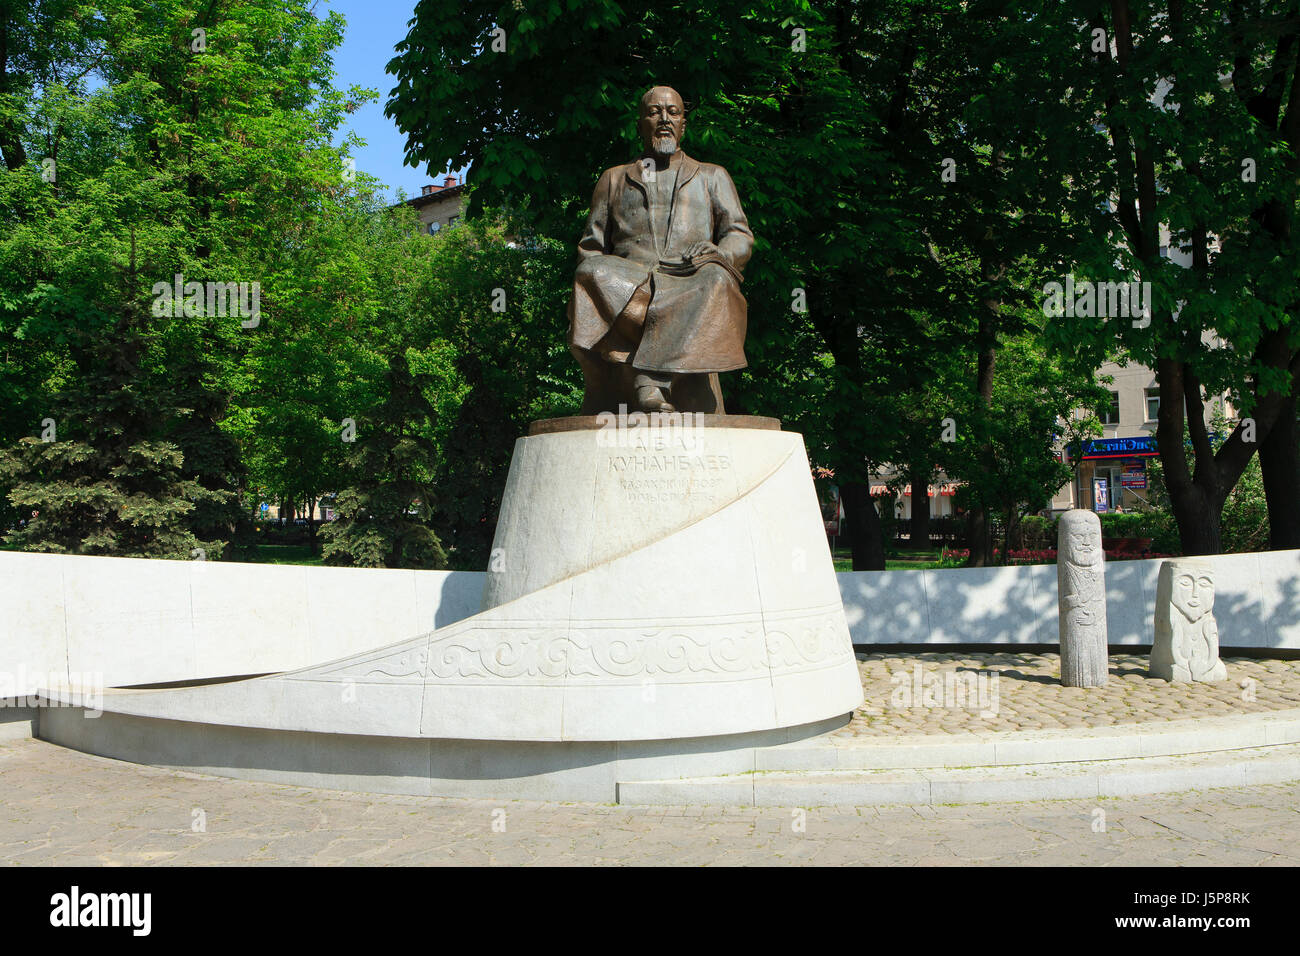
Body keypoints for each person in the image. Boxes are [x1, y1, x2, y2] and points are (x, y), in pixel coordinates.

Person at [568, 85, 754, 414]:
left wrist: (719, 253)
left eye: (673, 112)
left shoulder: (712, 176)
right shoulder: (613, 179)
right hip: (631, 284)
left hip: (691, 280)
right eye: (654, 112)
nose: (665, 119)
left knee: (717, 278)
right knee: (589, 272)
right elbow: (591, 247)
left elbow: (739, 235)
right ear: (640, 124)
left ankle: (652, 379)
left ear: (683, 124)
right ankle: (660, 367)